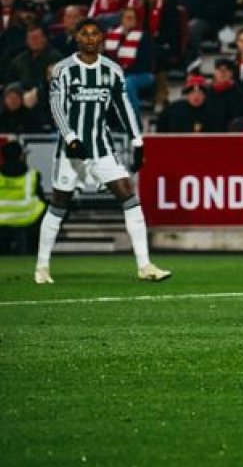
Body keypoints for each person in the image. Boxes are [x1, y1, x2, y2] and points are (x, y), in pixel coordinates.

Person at [35, 18, 171, 284]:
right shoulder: (63, 69)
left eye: (94, 34)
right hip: (70, 151)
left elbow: (124, 107)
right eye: (84, 34)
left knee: (128, 195)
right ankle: (42, 267)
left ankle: (145, 265)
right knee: (59, 204)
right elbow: (56, 106)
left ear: (102, 39)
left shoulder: (112, 70)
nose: (89, 38)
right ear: (77, 38)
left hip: (102, 147)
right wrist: (71, 137)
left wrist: (138, 141)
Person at [0, 140, 45, 255]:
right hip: (27, 220)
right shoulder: (33, 176)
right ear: (21, 156)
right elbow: (42, 199)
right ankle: (35, 249)